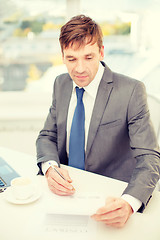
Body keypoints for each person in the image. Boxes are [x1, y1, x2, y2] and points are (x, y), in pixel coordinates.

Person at [36, 14, 160, 228]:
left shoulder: (131, 91)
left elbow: (149, 158)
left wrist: (129, 203)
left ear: (101, 52)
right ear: (63, 56)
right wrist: (50, 168)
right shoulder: (61, 84)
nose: (80, 69)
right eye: (71, 59)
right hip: (66, 197)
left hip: (111, 197)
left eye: (88, 57)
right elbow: (48, 135)